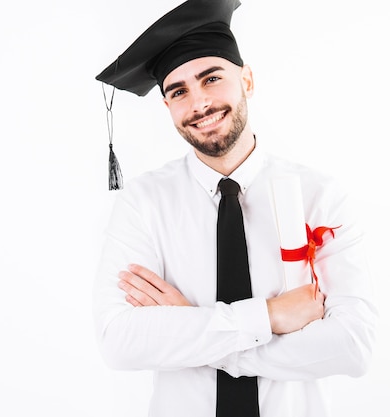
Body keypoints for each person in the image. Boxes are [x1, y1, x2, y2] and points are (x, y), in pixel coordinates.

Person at [92, 0, 378, 416]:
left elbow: (354, 346)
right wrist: (270, 317)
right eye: (179, 91)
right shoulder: (144, 203)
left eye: (211, 78)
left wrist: (194, 328)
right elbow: (119, 340)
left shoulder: (321, 196)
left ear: (247, 79)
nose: (199, 103)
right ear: (167, 105)